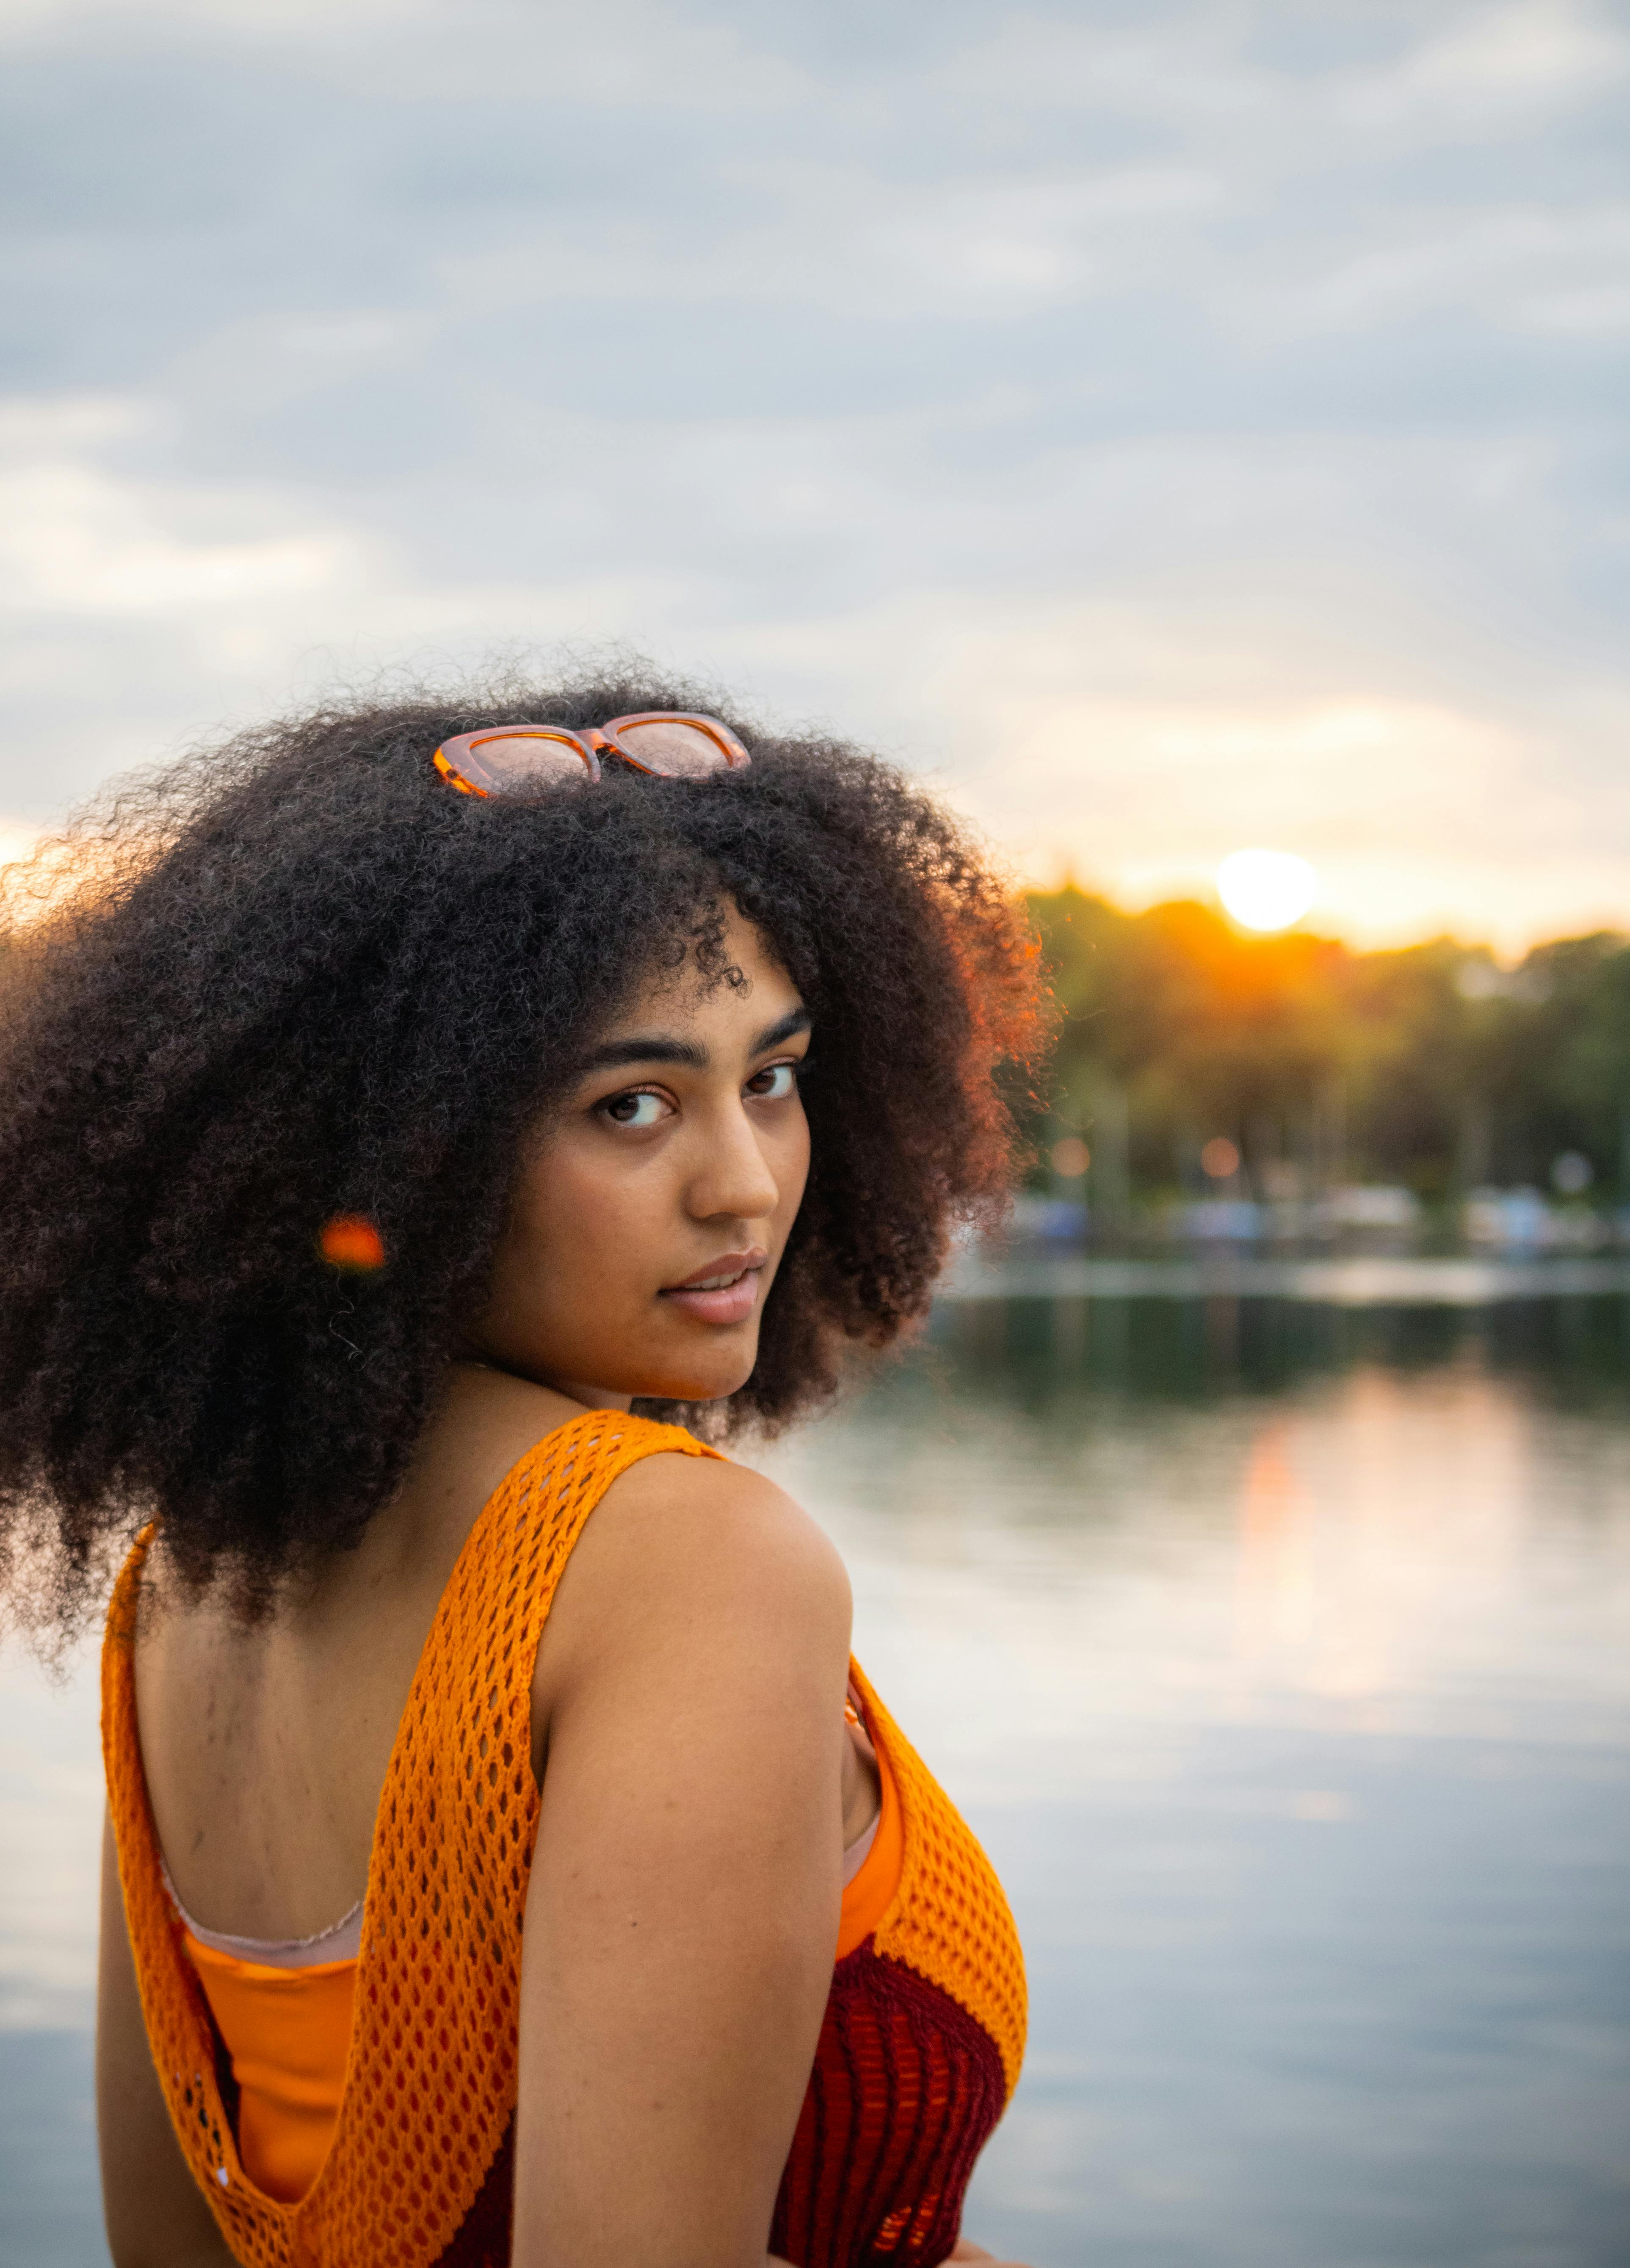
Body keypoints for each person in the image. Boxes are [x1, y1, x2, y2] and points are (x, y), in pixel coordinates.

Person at [0, 676, 1048, 2268]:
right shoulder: (684, 1569)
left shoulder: (197, 1575)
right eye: (628, 1107)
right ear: (389, 1155)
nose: (744, 1183)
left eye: (769, 1078)